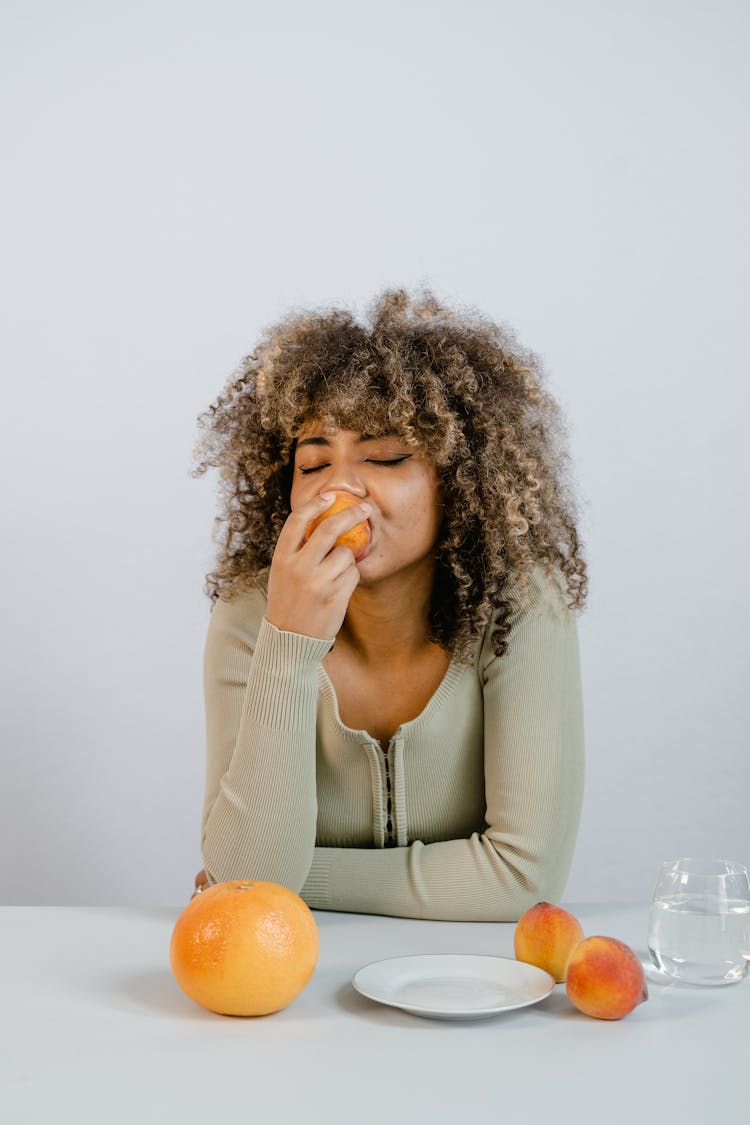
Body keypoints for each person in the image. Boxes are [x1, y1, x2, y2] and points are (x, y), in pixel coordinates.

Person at [189, 286, 588, 921]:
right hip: (300, 992)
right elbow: (248, 897)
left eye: (385, 456)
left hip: (469, 986)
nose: (341, 486)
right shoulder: (250, 616)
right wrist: (289, 644)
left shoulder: (518, 607)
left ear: (457, 478)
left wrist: (299, 878)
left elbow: (524, 877)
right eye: (314, 464)